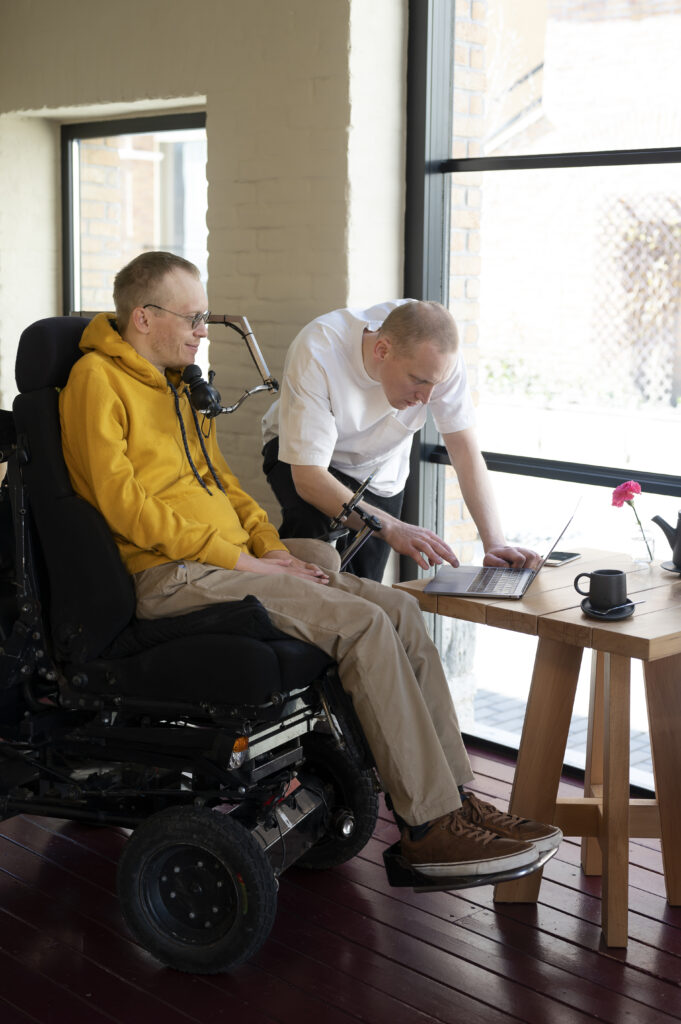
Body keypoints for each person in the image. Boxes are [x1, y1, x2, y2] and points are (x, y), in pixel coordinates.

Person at [59, 251, 561, 882]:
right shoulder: (94, 383)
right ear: (142, 318)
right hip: (172, 574)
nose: (202, 331)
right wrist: (244, 560)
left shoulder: (178, 388)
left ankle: (458, 802)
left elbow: (227, 487)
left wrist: (268, 548)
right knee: (364, 626)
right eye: (192, 318)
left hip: (227, 562)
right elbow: (122, 507)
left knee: (399, 608)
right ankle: (429, 829)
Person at [262, 300, 539, 581]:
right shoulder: (319, 349)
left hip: (379, 471)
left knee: (365, 586)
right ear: (382, 350)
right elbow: (308, 477)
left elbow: (464, 450)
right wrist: (390, 527)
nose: (427, 398)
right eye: (418, 381)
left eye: (436, 385)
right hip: (305, 458)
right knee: (309, 564)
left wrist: (495, 544)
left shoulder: (438, 357)